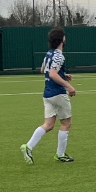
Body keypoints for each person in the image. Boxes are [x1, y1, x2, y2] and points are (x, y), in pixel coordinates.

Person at [23, 27, 77, 164]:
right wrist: (68, 85)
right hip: (58, 93)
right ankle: (60, 154)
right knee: (66, 123)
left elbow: (43, 70)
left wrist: (63, 74)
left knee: (49, 124)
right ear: (62, 39)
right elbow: (52, 74)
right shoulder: (59, 55)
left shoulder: (49, 54)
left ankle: (28, 146)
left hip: (47, 93)